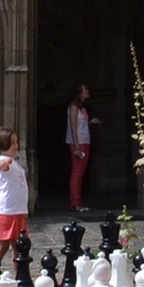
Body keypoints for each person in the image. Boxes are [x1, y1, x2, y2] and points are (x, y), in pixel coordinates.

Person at [0, 127, 28, 268]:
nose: (16, 145)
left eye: (16, 142)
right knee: (3, 246)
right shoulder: (2, 160)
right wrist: (6, 162)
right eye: (12, 142)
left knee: (18, 246)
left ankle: (20, 277)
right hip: (7, 211)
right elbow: (2, 166)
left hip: (17, 210)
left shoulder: (14, 162)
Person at [64, 83, 99, 212]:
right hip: (77, 143)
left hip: (85, 141)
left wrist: (91, 122)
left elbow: (81, 124)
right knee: (76, 174)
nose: (87, 91)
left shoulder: (82, 108)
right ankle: (75, 203)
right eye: (85, 90)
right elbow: (73, 128)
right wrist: (77, 147)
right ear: (79, 93)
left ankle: (77, 202)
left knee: (80, 174)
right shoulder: (73, 107)